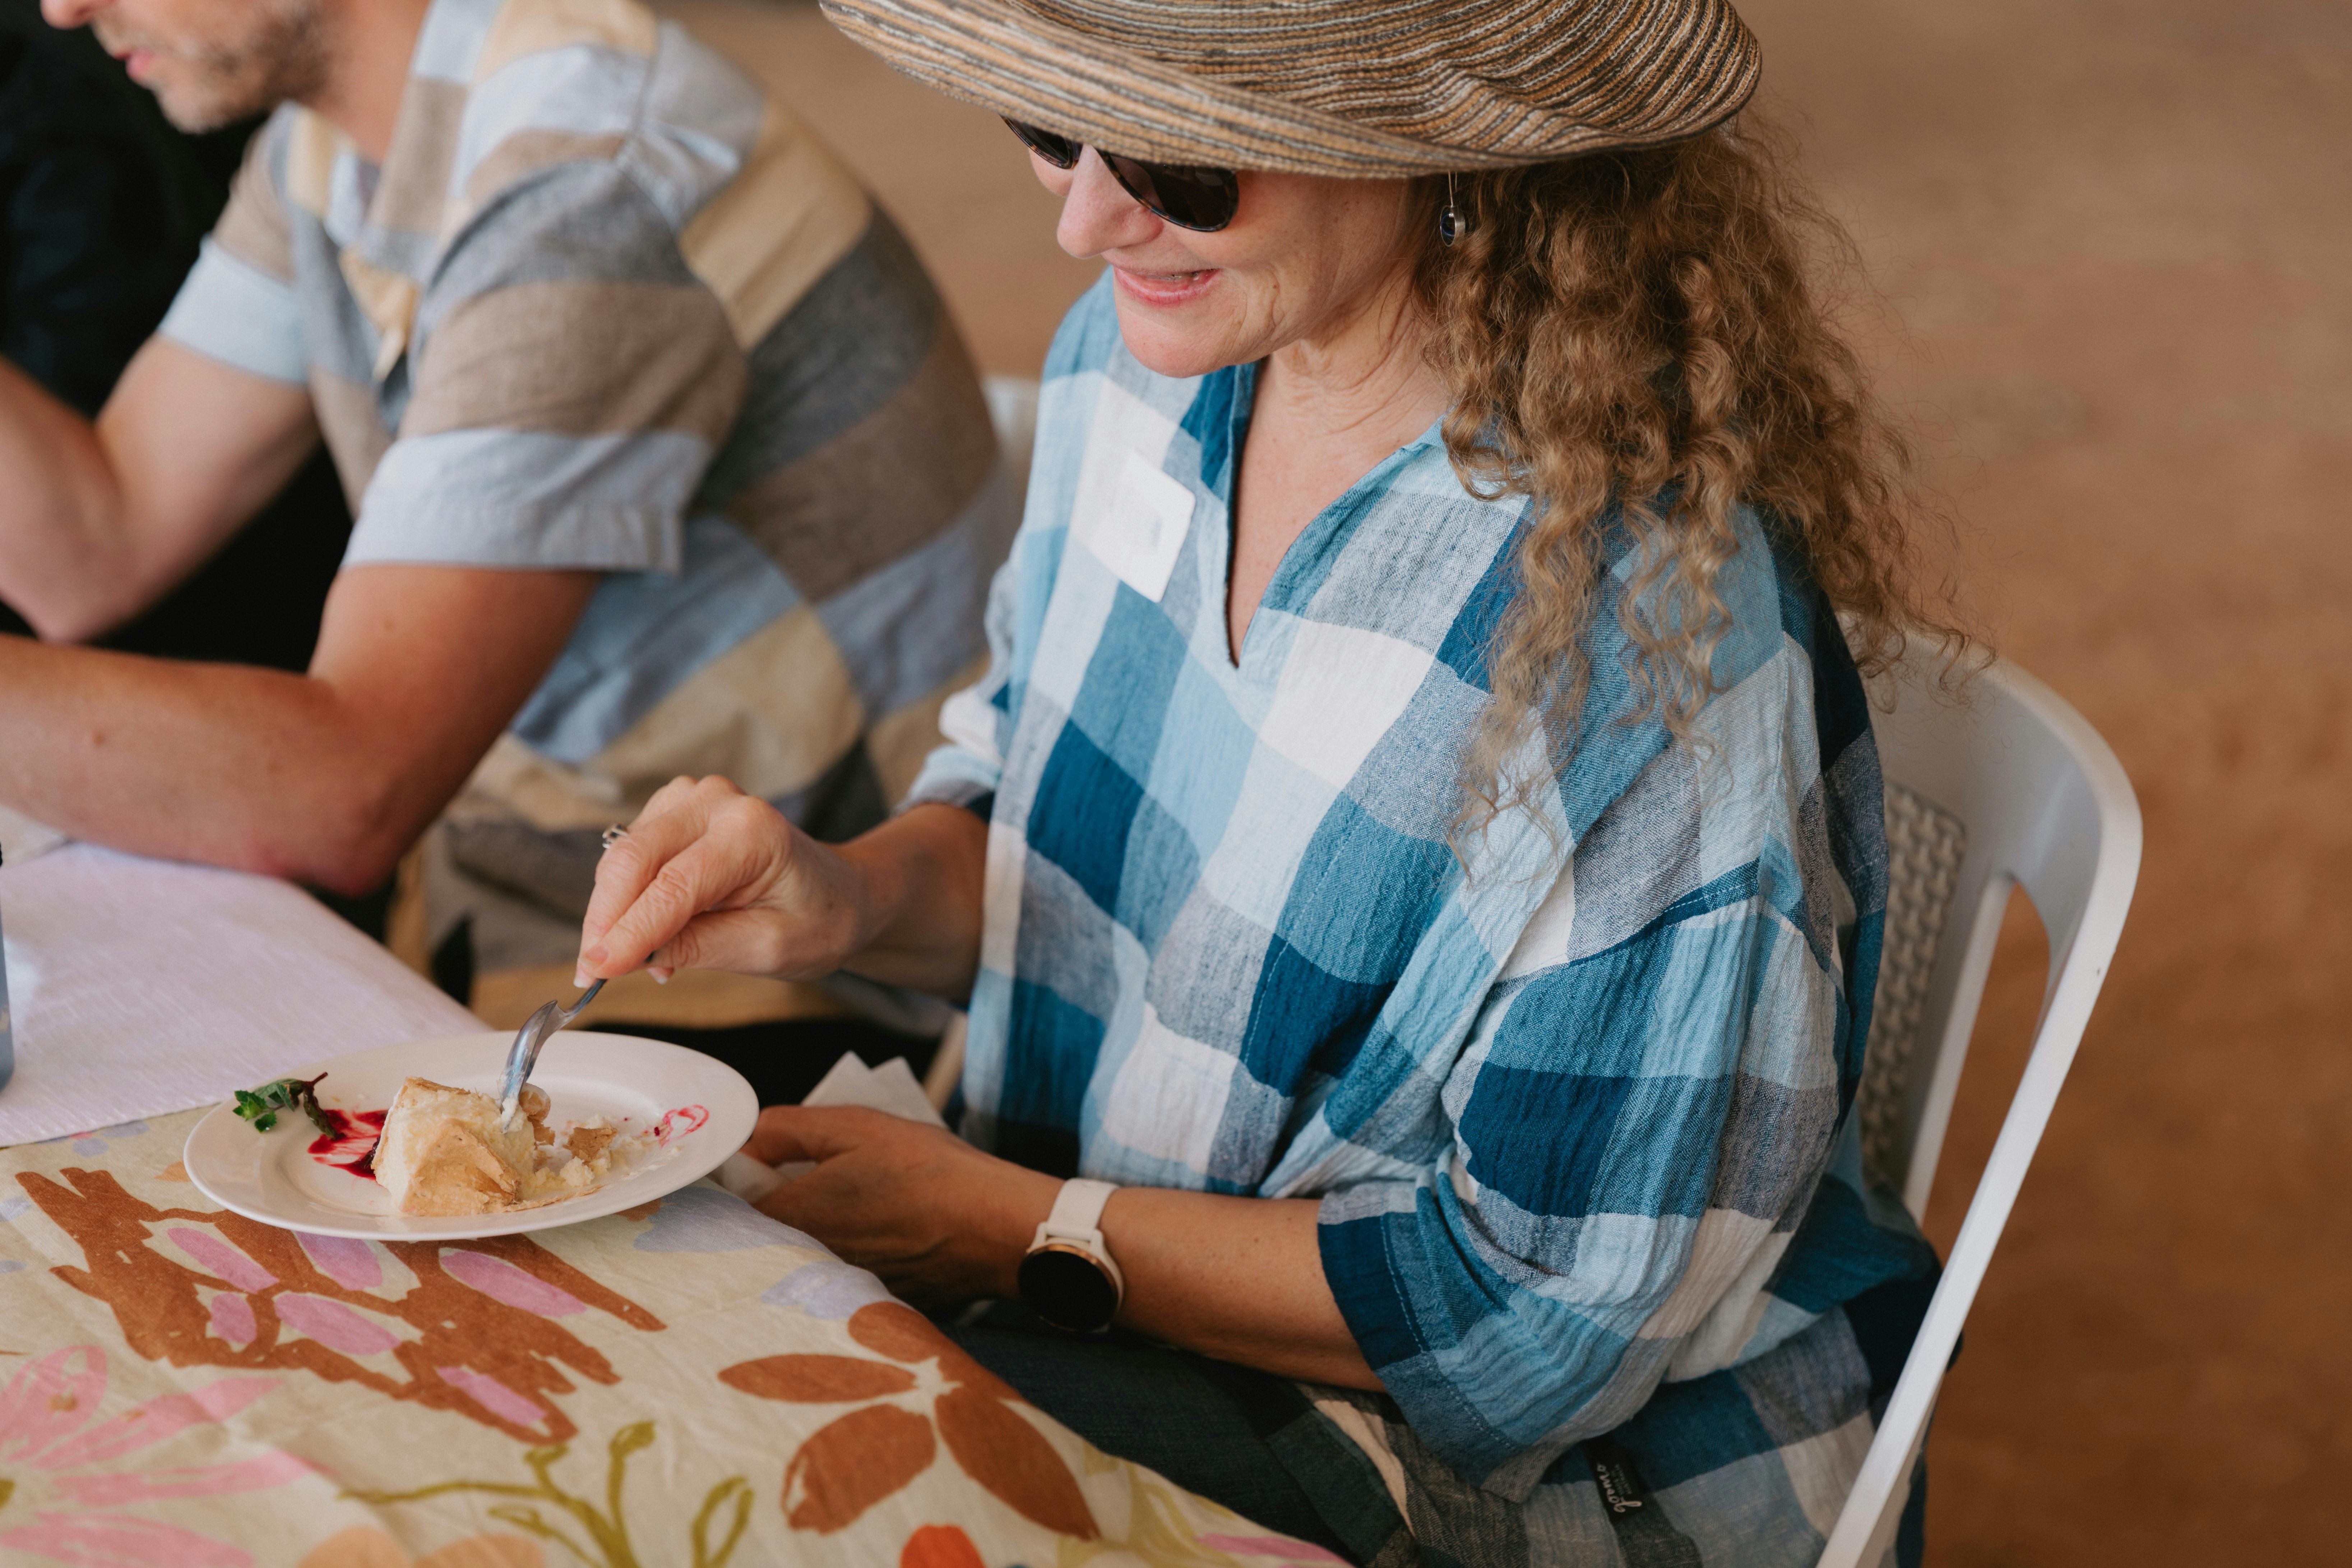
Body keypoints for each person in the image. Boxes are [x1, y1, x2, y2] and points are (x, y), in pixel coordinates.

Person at [575, 0, 1963, 1561]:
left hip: (1531, 1479)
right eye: (1049, 126)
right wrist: (844, 895)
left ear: (1430, 142)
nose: (1086, 215)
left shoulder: (1645, 650)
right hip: (1092, 1275)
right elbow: (1055, 826)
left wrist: (1003, 1223)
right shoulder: (1134, 357)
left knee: (747, 1471)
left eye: (1178, 159)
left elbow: (1537, 1330)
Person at [0, 0, 1011, 1080]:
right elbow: (95, 537)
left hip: (760, 995)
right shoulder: (333, 146)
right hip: (509, 931)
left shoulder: (580, 176)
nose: (63, 7)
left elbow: (349, 790)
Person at [0, 7, 353, 683]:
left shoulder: (558, 145)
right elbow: (95, 546)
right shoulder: (306, 156)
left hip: (253, 668)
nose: (65, 8)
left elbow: (369, 756)